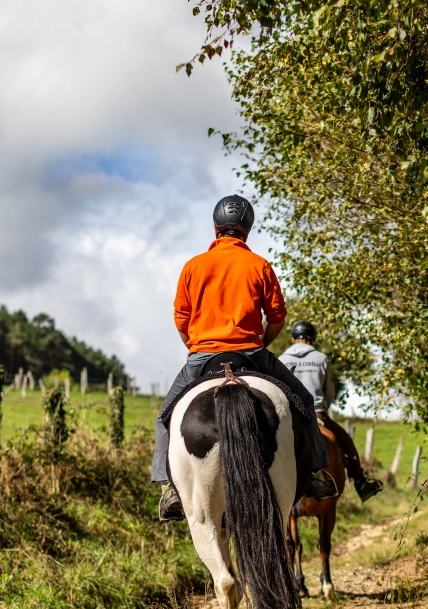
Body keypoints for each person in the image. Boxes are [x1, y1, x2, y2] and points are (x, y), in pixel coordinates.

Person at [153, 195, 338, 521]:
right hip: (251, 354)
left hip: (202, 356)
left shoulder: (193, 267)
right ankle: (314, 476)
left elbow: (181, 320)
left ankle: (169, 488)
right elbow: (277, 317)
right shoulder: (260, 265)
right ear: (247, 231)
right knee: (305, 402)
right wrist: (261, 343)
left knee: (166, 414)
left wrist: (196, 348)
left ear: (215, 228)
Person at [278, 322, 385, 501]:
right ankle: (361, 484)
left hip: (289, 415)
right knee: (348, 444)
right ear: (312, 338)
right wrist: (324, 406)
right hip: (317, 413)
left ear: (292, 338)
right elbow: (329, 391)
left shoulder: (281, 359)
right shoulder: (321, 358)